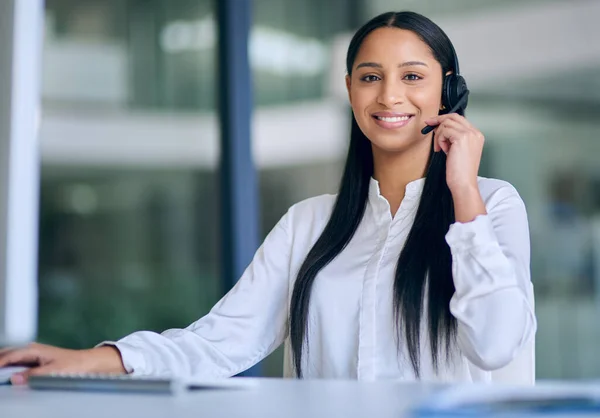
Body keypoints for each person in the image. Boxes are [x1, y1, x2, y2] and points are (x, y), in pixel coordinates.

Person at [0, 11, 536, 385]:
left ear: (449, 91)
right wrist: (90, 361)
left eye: (413, 77)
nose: (390, 96)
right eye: (371, 77)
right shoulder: (310, 223)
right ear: (350, 90)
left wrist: (462, 187)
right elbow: (218, 342)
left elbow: (494, 344)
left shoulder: (493, 205)